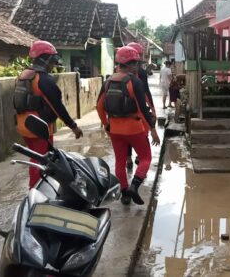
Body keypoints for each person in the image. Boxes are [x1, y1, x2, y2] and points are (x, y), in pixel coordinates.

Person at [14, 40, 83, 189]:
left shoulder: (24, 75)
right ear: (45, 59)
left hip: (23, 124)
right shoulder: (44, 79)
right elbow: (57, 107)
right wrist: (73, 126)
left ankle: (38, 188)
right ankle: (36, 192)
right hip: (39, 127)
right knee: (40, 160)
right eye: (52, 60)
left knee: (34, 157)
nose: (53, 64)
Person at [97, 46, 160, 205]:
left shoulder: (108, 81)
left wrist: (106, 124)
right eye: (136, 63)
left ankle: (124, 194)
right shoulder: (134, 81)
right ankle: (134, 186)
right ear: (131, 64)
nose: (137, 66)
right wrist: (152, 129)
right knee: (146, 158)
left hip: (115, 129)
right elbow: (142, 108)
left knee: (120, 161)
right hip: (134, 128)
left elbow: (99, 106)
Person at [126, 42, 156, 170]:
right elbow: (146, 93)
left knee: (126, 136)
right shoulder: (141, 73)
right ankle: (140, 156)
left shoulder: (117, 73)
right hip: (138, 109)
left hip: (123, 111)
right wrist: (153, 109)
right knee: (143, 132)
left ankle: (128, 159)